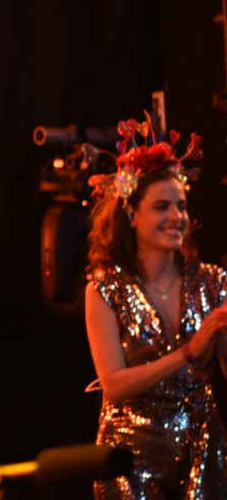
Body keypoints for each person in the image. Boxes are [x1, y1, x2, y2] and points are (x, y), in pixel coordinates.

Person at [83, 117, 227, 498]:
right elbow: (113, 385)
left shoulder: (212, 281)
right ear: (131, 213)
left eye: (180, 206)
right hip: (130, 460)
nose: (176, 217)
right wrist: (189, 351)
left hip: (201, 447)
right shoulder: (105, 287)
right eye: (162, 207)